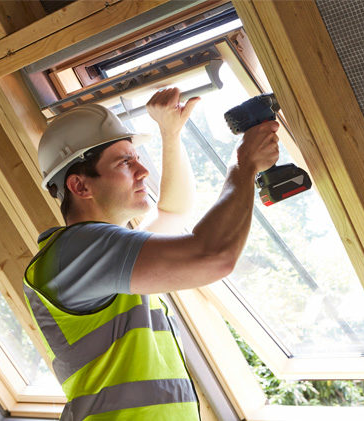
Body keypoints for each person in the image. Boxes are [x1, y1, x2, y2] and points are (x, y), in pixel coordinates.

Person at [23, 87, 279, 420]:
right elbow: (213, 256)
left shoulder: (95, 256)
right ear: (80, 186)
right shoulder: (74, 255)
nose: (143, 172)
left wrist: (170, 135)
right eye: (125, 162)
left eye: (138, 159)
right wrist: (244, 166)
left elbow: (174, 212)